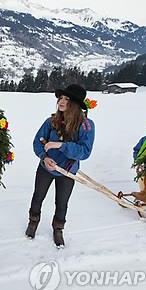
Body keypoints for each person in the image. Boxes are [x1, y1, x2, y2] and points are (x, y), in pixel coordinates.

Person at [25, 84, 95, 248]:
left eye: (67, 99)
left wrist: (60, 145)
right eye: (61, 98)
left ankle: (58, 229)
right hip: (46, 168)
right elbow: (37, 142)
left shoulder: (86, 125)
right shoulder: (51, 121)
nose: (61, 101)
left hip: (67, 172)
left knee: (62, 202)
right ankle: (33, 221)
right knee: (38, 196)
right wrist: (44, 158)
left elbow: (84, 152)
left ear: (75, 104)